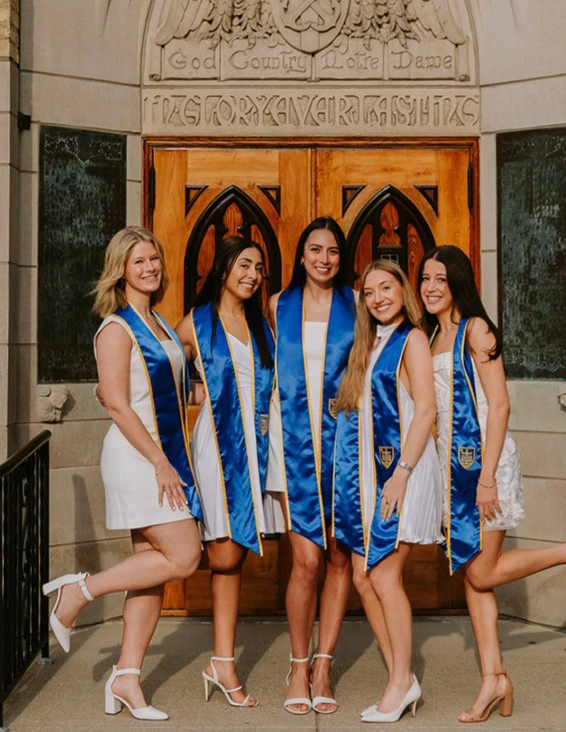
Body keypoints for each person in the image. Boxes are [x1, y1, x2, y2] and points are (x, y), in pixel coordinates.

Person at [418, 245, 566, 723]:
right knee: (474, 581)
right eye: (425, 278)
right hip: (448, 469)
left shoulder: (476, 330)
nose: (431, 287)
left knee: (481, 572)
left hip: (484, 465)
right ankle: (494, 680)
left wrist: (485, 478)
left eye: (440, 278)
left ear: (457, 281)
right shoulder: (432, 335)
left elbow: (498, 406)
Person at [43, 226, 203, 721]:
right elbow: (115, 401)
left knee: (150, 572)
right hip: (140, 459)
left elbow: (175, 389)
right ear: (120, 270)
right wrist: (159, 461)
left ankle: (127, 678)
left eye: (154, 259)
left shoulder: (159, 325)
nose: (150, 267)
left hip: (164, 455)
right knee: (185, 555)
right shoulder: (116, 327)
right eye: (139, 261)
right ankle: (79, 591)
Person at [333, 260, 443, 723]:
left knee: (382, 577)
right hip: (372, 478)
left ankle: (400, 681)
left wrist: (401, 473)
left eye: (387, 287)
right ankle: (402, 675)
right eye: (370, 291)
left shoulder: (412, 339)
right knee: (362, 577)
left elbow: (425, 412)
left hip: (404, 472)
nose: (379, 297)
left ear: (403, 290)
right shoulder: (370, 343)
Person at [175, 236, 275, 708]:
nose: (252, 275)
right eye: (244, 265)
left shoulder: (262, 324)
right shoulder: (195, 324)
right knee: (224, 552)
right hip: (217, 445)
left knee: (232, 554)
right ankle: (223, 662)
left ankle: (222, 662)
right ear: (223, 268)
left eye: (258, 268)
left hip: (256, 445)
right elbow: (162, 379)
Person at [267, 217, 355, 715]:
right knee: (306, 561)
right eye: (314, 250)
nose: (324, 259)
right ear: (301, 255)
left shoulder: (359, 305)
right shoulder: (279, 305)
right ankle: (297, 664)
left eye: (333, 252)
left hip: (345, 447)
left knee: (340, 557)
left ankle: (324, 666)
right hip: (294, 445)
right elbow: (255, 367)